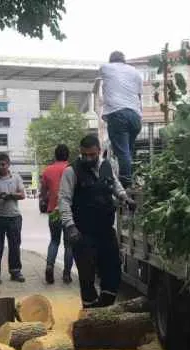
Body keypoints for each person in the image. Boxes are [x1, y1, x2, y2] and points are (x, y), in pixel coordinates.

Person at [59, 134, 135, 308]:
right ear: (80, 152)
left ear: (99, 151)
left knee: (113, 270)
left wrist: (125, 198)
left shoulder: (106, 166)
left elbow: (114, 184)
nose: (88, 158)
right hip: (83, 233)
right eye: (84, 155)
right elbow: (64, 200)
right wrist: (70, 226)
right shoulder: (72, 171)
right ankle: (90, 311)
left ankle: (104, 307)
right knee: (87, 276)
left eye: (92, 155)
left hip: (105, 231)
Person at [98, 50, 143, 188]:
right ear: (124, 60)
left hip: (118, 115)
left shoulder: (106, 68)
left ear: (111, 60)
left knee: (123, 153)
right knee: (127, 152)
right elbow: (139, 96)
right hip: (135, 116)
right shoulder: (135, 72)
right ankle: (131, 179)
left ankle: (125, 184)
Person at [0, 153, 26, 284]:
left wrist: (11, 195)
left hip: (14, 217)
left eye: (3, 164)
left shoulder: (16, 177)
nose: (0, 167)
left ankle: (15, 272)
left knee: (15, 245)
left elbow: (22, 195)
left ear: (8, 164)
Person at [40, 144, 73, 284]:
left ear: (55, 155)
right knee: (69, 244)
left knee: (54, 241)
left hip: (54, 211)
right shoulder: (72, 169)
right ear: (68, 155)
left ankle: (49, 266)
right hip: (69, 212)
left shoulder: (47, 170)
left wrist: (46, 200)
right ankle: (66, 274)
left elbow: (43, 192)